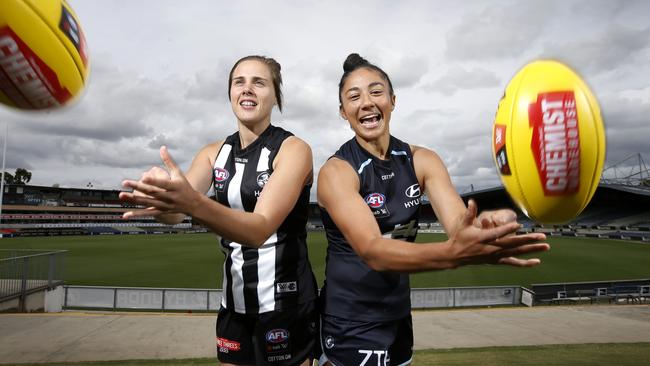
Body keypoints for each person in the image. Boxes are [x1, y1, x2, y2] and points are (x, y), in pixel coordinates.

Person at [316, 53, 551, 366]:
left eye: (376, 92)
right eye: (354, 96)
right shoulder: (337, 171)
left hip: (398, 316)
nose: (367, 102)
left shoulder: (423, 160)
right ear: (344, 112)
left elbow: (457, 223)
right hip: (349, 320)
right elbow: (373, 250)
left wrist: (488, 223)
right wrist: (452, 255)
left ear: (392, 100)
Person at [119, 55, 318, 366]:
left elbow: (259, 228)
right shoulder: (213, 154)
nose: (247, 89)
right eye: (239, 82)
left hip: (286, 306)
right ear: (230, 94)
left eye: (259, 82)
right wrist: (160, 198)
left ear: (275, 97)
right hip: (234, 306)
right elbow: (175, 214)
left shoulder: (293, 150)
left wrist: (191, 202)